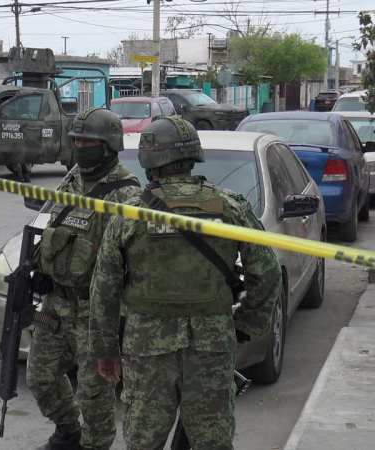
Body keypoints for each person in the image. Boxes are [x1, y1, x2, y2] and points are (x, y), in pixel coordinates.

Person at [88, 117, 281, 450]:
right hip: (212, 347)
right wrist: (245, 326)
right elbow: (267, 272)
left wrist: (105, 350)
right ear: (193, 156)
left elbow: (104, 289)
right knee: (212, 442)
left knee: (143, 442)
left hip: (147, 350)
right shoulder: (229, 207)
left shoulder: (130, 214)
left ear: (149, 160)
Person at [28, 108, 141, 450]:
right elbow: (49, 226)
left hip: (96, 311)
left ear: (108, 146)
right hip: (55, 302)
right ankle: (67, 431)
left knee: (94, 396)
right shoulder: (72, 179)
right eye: (75, 140)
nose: (79, 147)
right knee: (41, 378)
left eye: (87, 142)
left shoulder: (126, 194)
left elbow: (133, 261)